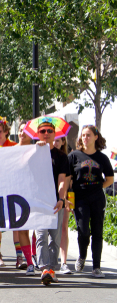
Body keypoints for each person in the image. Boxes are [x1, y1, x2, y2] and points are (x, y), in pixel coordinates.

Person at [68, 125, 114, 278]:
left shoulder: (102, 158)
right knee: (83, 231)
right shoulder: (74, 156)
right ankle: (82, 256)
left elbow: (109, 178)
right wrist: (69, 198)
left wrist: (98, 187)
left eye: (88, 135)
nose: (85, 138)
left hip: (97, 198)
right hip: (80, 199)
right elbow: (68, 179)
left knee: (97, 231)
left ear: (95, 137)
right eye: (83, 135)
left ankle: (96, 266)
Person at [31, 117, 69, 285]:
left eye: (49, 131)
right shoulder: (31, 153)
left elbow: (62, 180)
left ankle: (52, 268)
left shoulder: (62, 157)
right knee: (41, 235)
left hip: (55, 202)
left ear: (55, 134)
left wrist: (61, 198)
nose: (46, 134)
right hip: (38, 201)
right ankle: (44, 268)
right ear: (38, 134)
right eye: (42, 131)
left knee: (54, 236)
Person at [0, 115, 21, 267]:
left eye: (0, 131)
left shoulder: (14, 146)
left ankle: (19, 256)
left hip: (13, 188)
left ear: (6, 132)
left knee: (16, 223)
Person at [14, 121, 37, 275]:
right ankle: (29, 262)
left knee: (37, 228)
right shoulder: (11, 151)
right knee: (22, 229)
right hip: (17, 194)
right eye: (21, 130)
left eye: (26, 131)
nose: (23, 133)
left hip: (35, 193)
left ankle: (36, 256)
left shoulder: (38, 149)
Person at [53, 136, 73, 274]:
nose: (55, 142)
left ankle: (64, 262)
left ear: (63, 142)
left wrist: (64, 199)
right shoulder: (42, 154)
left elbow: (66, 181)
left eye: (58, 140)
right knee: (40, 231)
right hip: (46, 197)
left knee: (63, 227)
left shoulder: (65, 157)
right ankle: (37, 257)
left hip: (64, 196)